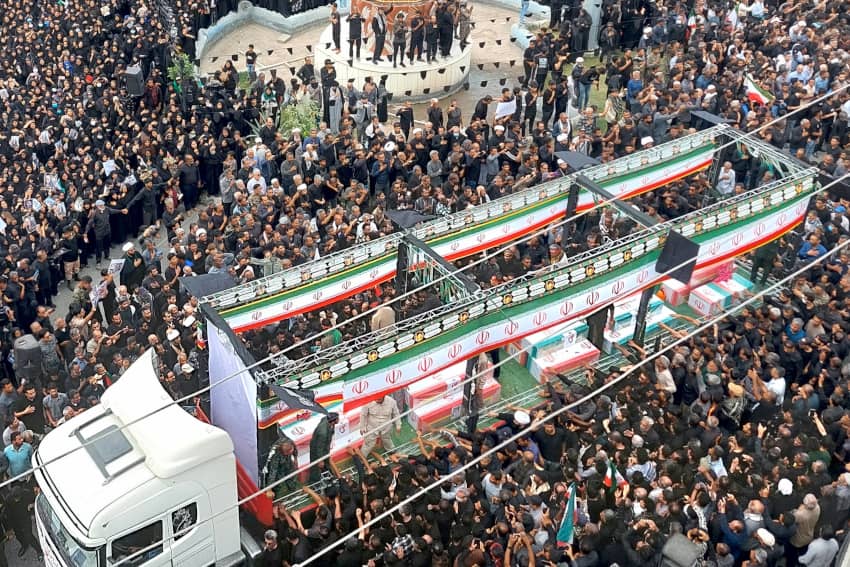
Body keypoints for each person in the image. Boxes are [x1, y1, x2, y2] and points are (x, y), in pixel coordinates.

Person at [359, 394, 401, 459]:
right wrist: (362, 427)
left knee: (387, 439)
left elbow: (396, 413)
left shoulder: (391, 401)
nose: (376, 400)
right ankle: (362, 457)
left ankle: (391, 450)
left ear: (383, 396)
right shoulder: (368, 401)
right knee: (368, 443)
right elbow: (363, 415)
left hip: (386, 426)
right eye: (375, 398)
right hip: (372, 427)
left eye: (379, 398)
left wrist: (398, 425)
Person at [308, 412, 338, 483]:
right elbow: (319, 447)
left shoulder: (327, 420)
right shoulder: (323, 433)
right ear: (333, 421)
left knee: (326, 462)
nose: (338, 420)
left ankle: (328, 476)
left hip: (324, 447)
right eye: (337, 419)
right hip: (317, 449)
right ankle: (314, 482)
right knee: (316, 467)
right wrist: (320, 460)